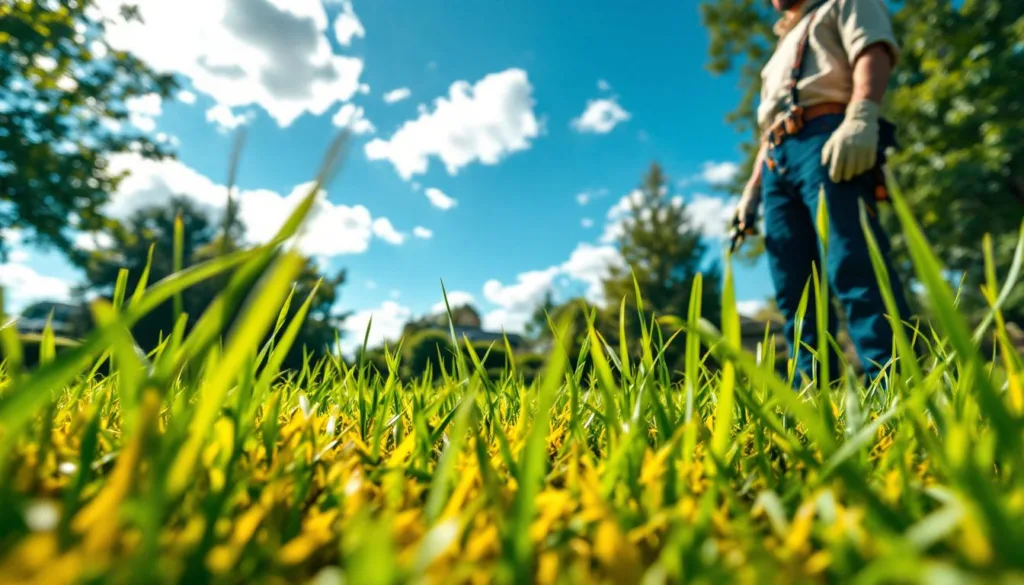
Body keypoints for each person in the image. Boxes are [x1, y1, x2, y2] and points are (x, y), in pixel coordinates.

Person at [732, 0, 913, 388]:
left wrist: (862, 116)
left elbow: (872, 49)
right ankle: (813, 390)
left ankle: (892, 382)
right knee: (793, 283)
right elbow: (770, 128)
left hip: (826, 138)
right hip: (777, 160)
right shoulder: (781, 45)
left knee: (852, 260)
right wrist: (752, 192)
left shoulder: (843, 4)